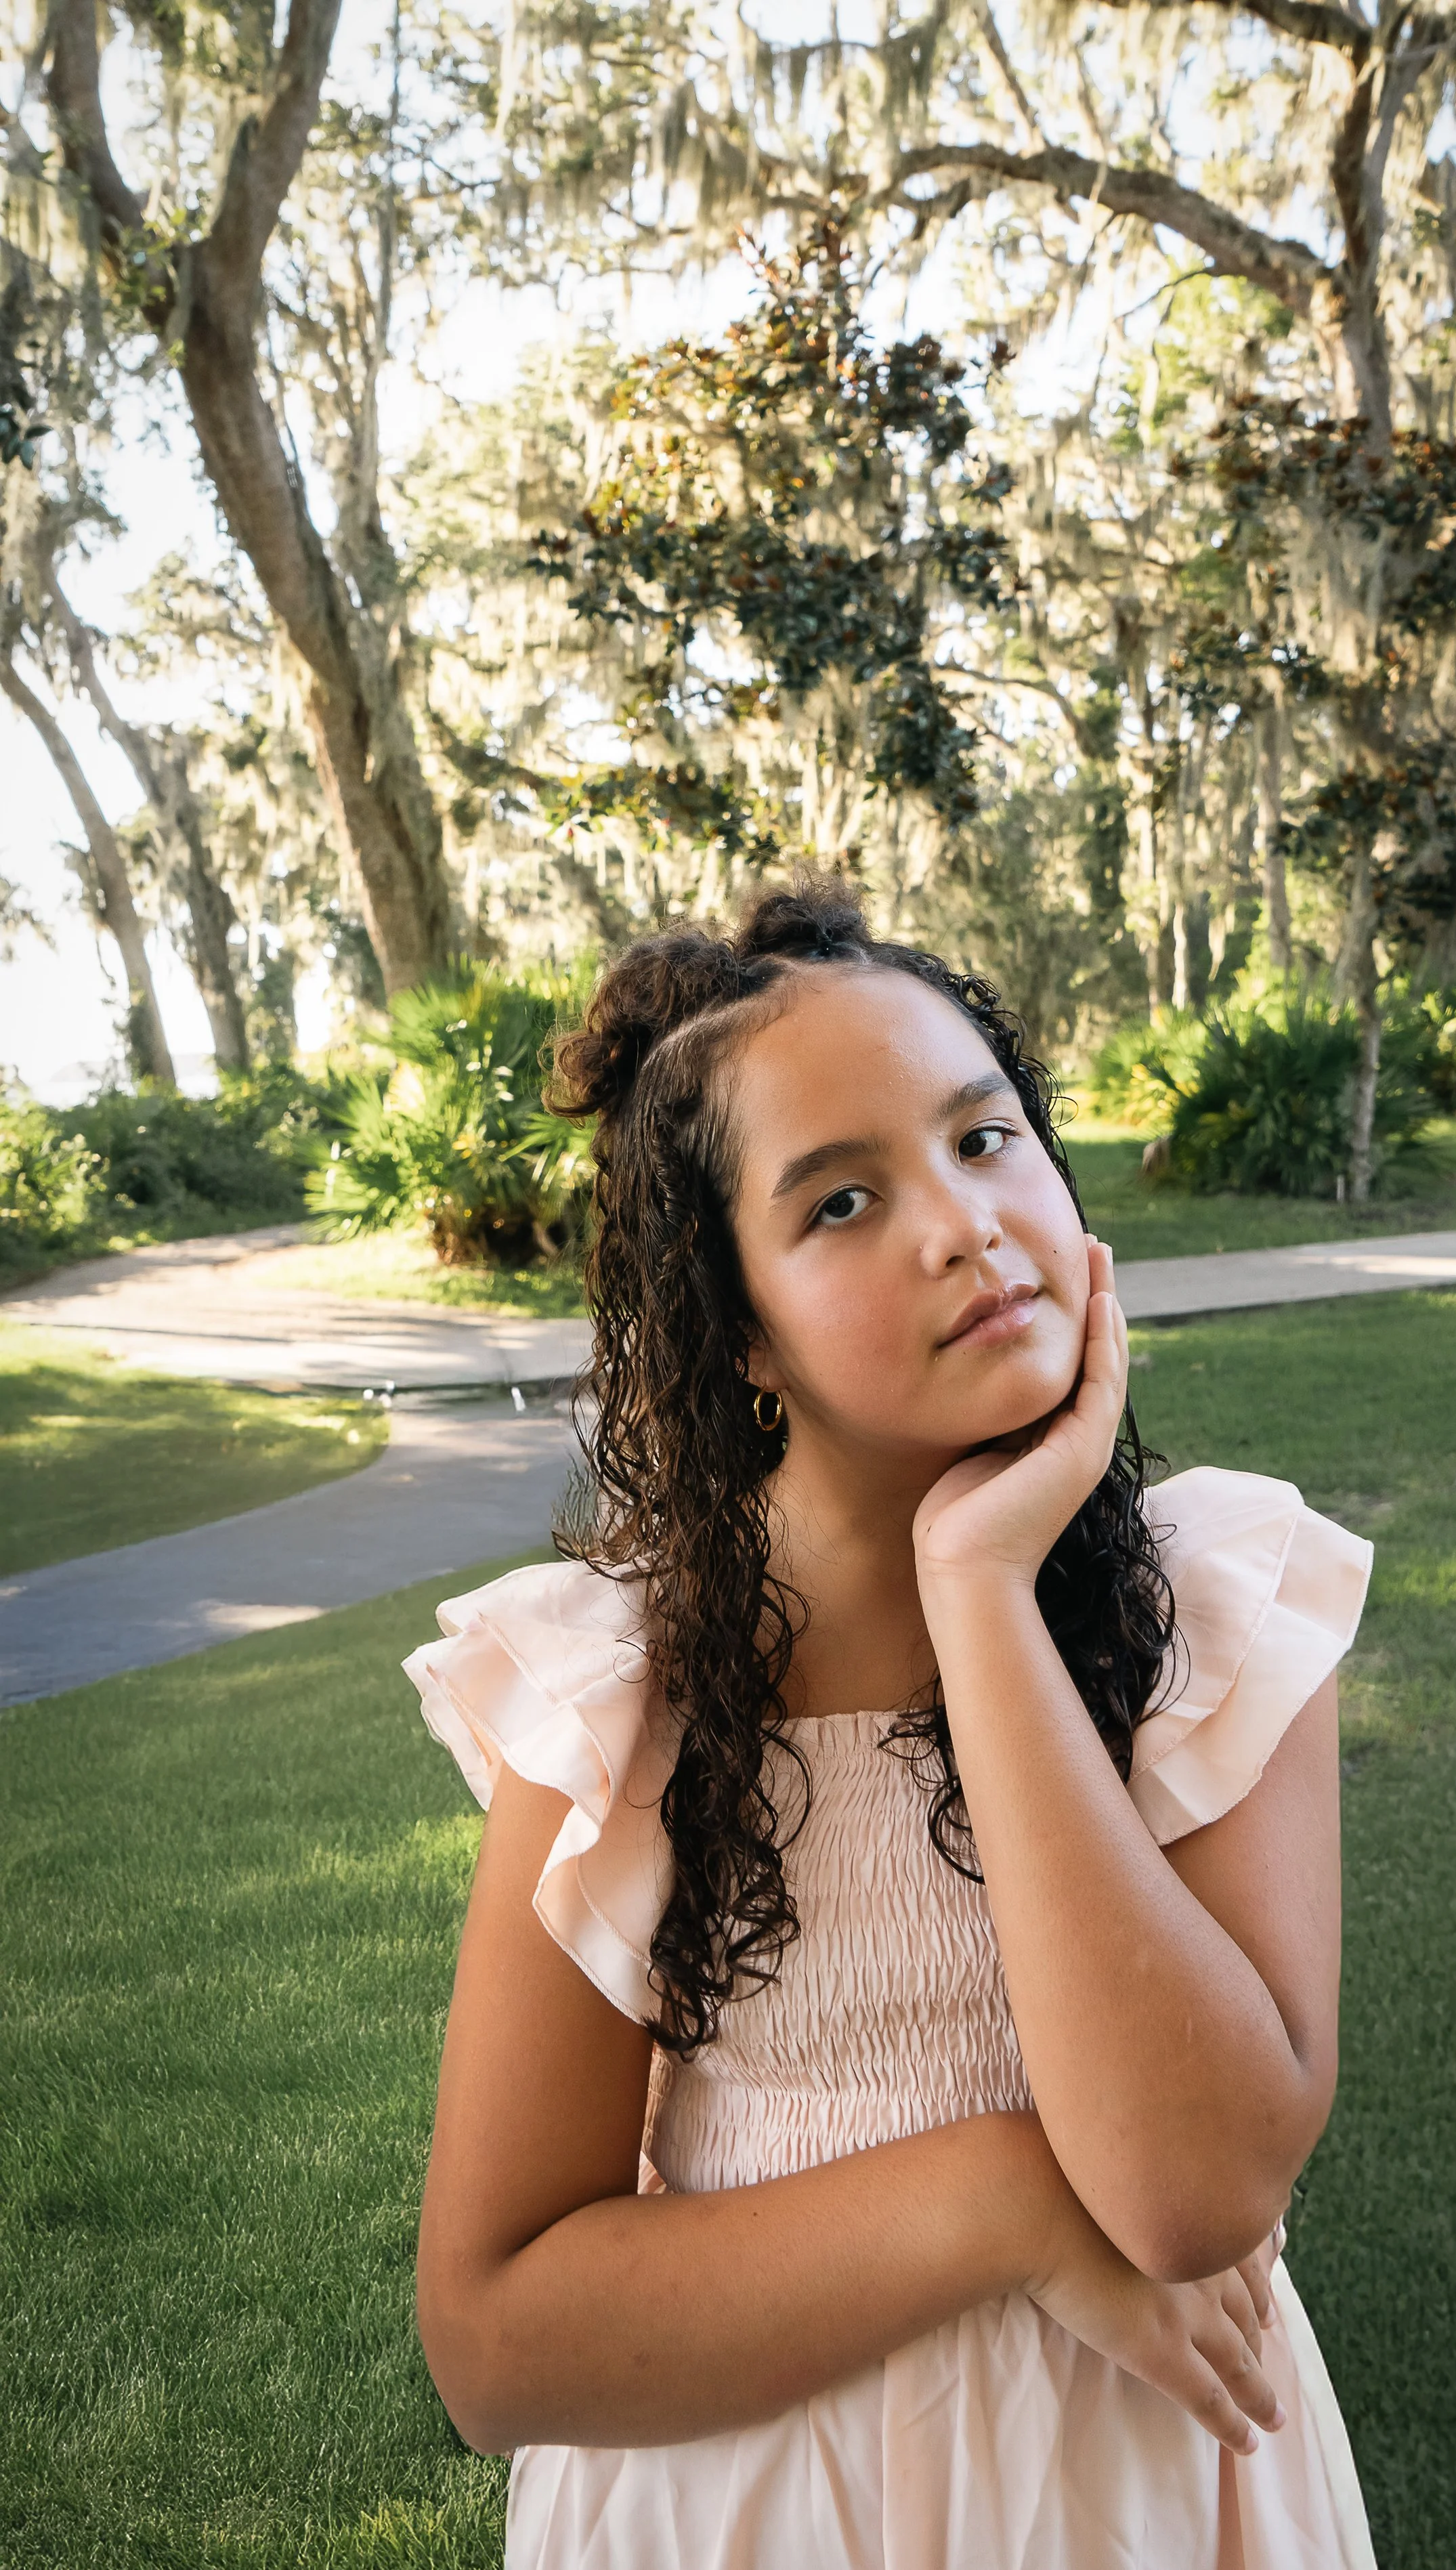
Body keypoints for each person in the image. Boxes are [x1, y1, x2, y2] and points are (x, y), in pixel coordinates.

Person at [404, 882, 1377, 2570]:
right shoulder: (621, 1704)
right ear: (742, 1330)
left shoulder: (1213, 1611)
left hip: (1140, 2499)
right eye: (841, 1200)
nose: (959, 1225)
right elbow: (494, 2346)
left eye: (984, 1139)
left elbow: (1196, 2189)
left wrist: (983, 1596)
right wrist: (999, 2204)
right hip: (753, 2506)